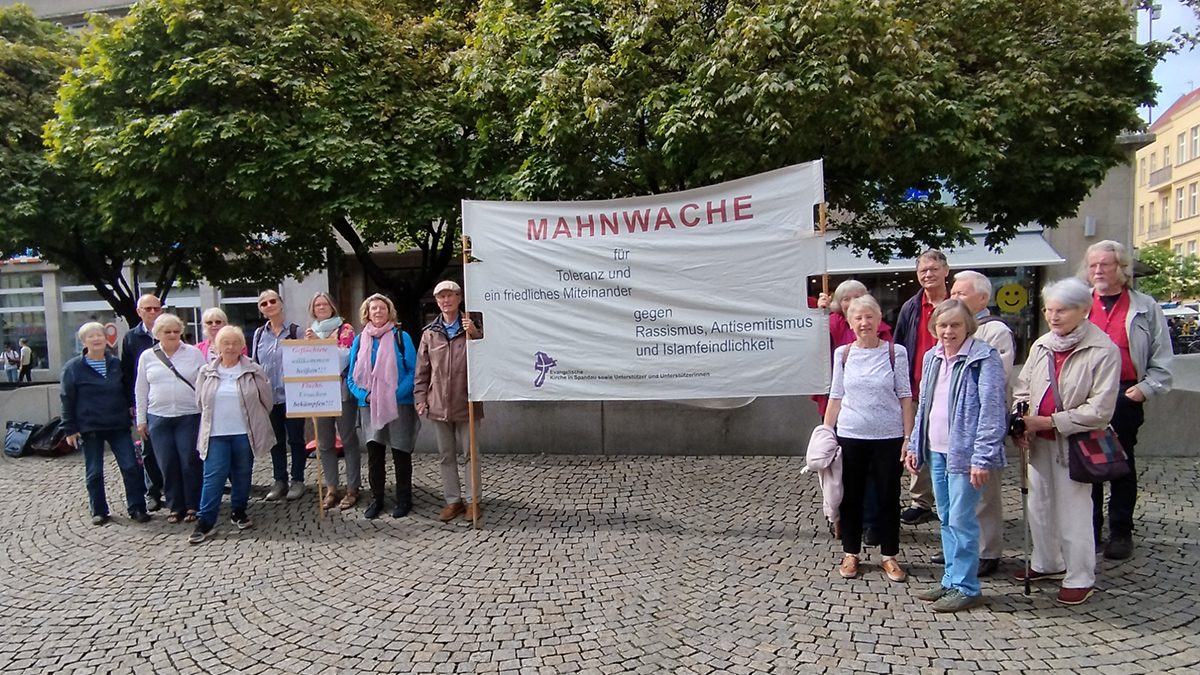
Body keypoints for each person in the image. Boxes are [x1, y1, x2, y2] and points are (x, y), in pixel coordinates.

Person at [1012, 277, 1120, 605]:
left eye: (1061, 310)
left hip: (1075, 444)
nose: (1053, 316)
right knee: (1040, 504)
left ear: (1083, 310)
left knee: (1073, 511)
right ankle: (1047, 561)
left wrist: (1050, 421)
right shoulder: (1043, 344)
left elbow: (1100, 410)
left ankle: (1081, 574)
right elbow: (1024, 385)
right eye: (1048, 310)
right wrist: (1021, 421)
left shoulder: (1103, 349)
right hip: (1039, 441)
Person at [906, 299, 1008, 612]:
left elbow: (992, 410)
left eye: (955, 325)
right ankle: (951, 579)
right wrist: (914, 444)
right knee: (947, 518)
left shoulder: (983, 358)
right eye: (942, 325)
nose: (948, 331)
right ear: (934, 328)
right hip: (936, 451)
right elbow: (924, 404)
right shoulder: (932, 357)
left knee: (963, 521)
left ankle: (967, 586)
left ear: (968, 327)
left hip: (964, 454)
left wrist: (983, 456)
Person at [1083, 240, 1173, 560]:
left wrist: (1144, 388)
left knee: (1121, 464)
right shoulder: (1081, 303)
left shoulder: (1144, 305)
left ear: (1121, 268)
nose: (1098, 271)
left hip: (1125, 393)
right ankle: (1089, 529)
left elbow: (1162, 354)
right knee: (1087, 462)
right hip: (1087, 395)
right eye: (1093, 265)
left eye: (1104, 265)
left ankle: (1121, 531)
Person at [823, 295, 913, 583]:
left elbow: (905, 397)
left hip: (889, 435)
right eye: (858, 318)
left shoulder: (895, 352)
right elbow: (835, 397)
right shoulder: (843, 354)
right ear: (850, 323)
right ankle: (851, 552)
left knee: (889, 496)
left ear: (879, 320)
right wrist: (827, 434)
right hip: (851, 435)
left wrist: (908, 436)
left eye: (869, 317)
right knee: (852, 497)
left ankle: (889, 555)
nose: (864, 323)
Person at [946, 270, 1016, 576]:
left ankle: (988, 551)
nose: (954, 297)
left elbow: (995, 383)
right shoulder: (950, 328)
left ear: (983, 298)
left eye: (962, 293)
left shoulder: (995, 331)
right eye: (954, 292)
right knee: (956, 496)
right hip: (952, 425)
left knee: (984, 494)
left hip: (978, 425)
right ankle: (959, 550)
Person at [816, 279, 894, 544]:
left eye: (859, 297)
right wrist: (821, 309)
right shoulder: (836, 323)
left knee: (874, 474)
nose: (854, 303)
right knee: (843, 471)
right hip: (845, 413)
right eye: (847, 299)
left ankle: (873, 522)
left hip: (879, 418)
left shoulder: (884, 334)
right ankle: (846, 523)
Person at [190, 326, 275, 544]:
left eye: (234, 343)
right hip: (216, 434)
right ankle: (205, 521)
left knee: (242, 474)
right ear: (217, 346)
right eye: (225, 343)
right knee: (213, 477)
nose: (230, 347)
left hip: (243, 433)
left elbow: (267, 401)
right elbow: (200, 402)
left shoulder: (253, 370)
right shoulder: (206, 372)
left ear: (241, 346)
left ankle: (239, 510)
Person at [61, 322, 152, 526]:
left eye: (99, 335)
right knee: (94, 471)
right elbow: (67, 399)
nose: (96, 339)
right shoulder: (73, 368)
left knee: (130, 466)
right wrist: (70, 428)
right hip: (89, 426)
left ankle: (137, 507)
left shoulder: (115, 364)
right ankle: (99, 510)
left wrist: (132, 408)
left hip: (117, 423)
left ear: (106, 339)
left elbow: (128, 390)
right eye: (91, 336)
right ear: (83, 341)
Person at [414, 280, 484, 522]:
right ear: (437, 301)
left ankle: (473, 501)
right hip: (438, 403)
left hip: (468, 401)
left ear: (459, 298)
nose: (446, 301)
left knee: (470, 455)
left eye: (450, 296)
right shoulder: (429, 333)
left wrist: (475, 336)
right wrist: (420, 397)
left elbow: (487, 359)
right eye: (441, 297)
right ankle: (453, 500)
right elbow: (422, 370)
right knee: (446, 455)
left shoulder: (474, 327)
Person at [347, 293, 419, 520]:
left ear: (390, 312)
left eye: (382, 308)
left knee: (401, 453)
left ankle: (404, 499)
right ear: (366, 313)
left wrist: (393, 395)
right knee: (375, 455)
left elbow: (412, 371)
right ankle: (377, 499)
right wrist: (365, 396)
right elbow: (351, 378)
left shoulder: (401, 336)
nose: (378, 312)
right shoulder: (359, 341)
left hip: (399, 404)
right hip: (369, 405)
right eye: (373, 308)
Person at [891, 250, 950, 526]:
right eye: (923, 270)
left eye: (934, 269)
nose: (928, 274)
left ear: (946, 271)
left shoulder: (956, 303)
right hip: (917, 387)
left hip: (950, 387)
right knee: (918, 443)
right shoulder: (910, 307)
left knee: (947, 442)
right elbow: (900, 345)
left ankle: (947, 500)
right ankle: (921, 500)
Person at [135, 313, 206, 524]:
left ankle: (193, 504)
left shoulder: (193, 353)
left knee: (189, 461)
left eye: (176, 331)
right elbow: (140, 388)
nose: (173, 335)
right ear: (158, 334)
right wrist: (141, 419)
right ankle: (175, 506)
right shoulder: (147, 356)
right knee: (167, 463)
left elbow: (204, 382)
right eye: (168, 332)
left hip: (189, 415)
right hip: (158, 417)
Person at [305, 292, 363, 510]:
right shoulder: (309, 331)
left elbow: (343, 357)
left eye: (325, 304)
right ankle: (331, 487)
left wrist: (319, 344)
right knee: (325, 443)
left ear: (332, 306)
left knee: (348, 440)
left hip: (341, 391)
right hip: (319, 393)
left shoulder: (344, 329)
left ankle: (352, 487)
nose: (321, 307)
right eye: (317, 304)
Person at [250, 289, 307, 501]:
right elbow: (254, 364)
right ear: (261, 310)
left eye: (272, 301)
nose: (269, 305)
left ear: (281, 303)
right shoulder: (258, 335)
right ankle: (279, 480)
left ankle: (298, 479)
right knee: (276, 440)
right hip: (268, 397)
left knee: (296, 439)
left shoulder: (295, 331)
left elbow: (307, 358)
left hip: (293, 396)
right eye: (264, 303)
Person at [121, 294, 166, 511]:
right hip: (145, 403)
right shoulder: (131, 337)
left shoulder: (169, 332)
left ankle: (172, 488)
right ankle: (153, 492)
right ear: (139, 312)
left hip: (168, 402)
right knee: (148, 449)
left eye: (156, 308)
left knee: (171, 449)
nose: (152, 312)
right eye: (147, 309)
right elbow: (127, 372)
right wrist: (131, 403)